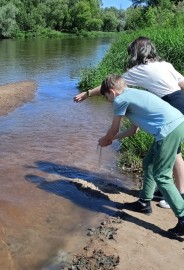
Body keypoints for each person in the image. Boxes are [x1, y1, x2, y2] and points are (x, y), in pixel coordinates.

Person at [74, 36, 184, 210]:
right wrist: (113, 138)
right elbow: (182, 83)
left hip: (169, 107)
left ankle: (178, 196)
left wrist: (88, 93)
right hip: (178, 101)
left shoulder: (137, 72)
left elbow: (112, 86)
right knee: (155, 158)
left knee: (173, 154)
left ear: (135, 53)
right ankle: (149, 199)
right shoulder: (165, 65)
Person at [99, 74, 184, 236]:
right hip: (177, 124)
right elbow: (133, 130)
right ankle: (144, 202)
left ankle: (183, 216)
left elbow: (114, 129)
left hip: (168, 131)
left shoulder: (119, 100)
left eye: (106, 97)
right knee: (148, 163)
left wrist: (105, 139)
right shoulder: (132, 93)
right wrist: (112, 140)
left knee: (162, 175)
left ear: (112, 92)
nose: (108, 101)